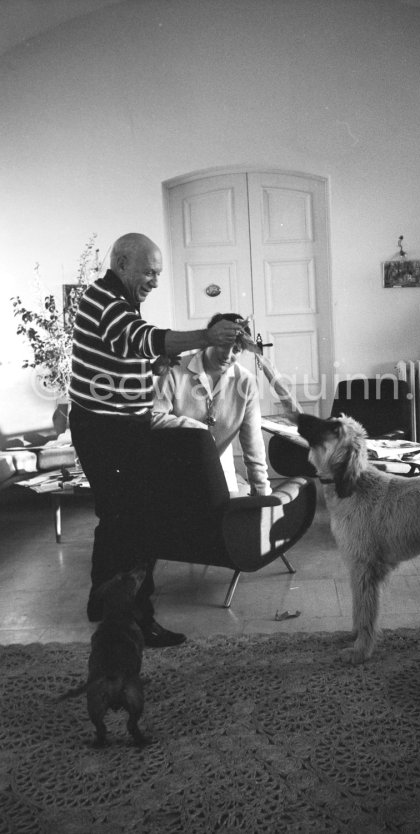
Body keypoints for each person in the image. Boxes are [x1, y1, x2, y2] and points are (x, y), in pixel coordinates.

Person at [69, 233, 247, 647]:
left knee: (113, 516)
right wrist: (208, 335)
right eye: (148, 272)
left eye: (158, 274)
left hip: (115, 427)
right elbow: (143, 338)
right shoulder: (106, 302)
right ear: (122, 263)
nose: (153, 281)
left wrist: (152, 368)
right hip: (107, 431)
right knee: (137, 521)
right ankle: (138, 618)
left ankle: (101, 602)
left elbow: (123, 359)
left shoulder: (116, 300)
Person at [151, 313, 271, 496]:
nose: (227, 355)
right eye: (223, 345)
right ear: (209, 340)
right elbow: (153, 417)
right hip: (175, 463)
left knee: (223, 517)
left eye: (237, 350)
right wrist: (197, 429)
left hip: (219, 465)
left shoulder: (246, 382)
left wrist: (263, 493)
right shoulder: (174, 369)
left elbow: (253, 442)